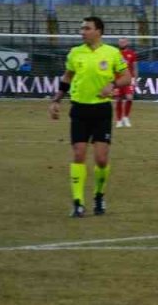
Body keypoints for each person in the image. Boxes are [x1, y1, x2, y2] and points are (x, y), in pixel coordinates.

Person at [48, 17, 131, 217]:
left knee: (101, 159)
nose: (82, 32)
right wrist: (57, 99)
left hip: (101, 110)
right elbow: (68, 77)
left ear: (98, 31)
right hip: (79, 109)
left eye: (87, 28)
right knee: (79, 154)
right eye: (82, 28)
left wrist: (112, 85)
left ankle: (99, 196)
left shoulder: (111, 53)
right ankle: (78, 202)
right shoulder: (75, 53)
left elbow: (126, 77)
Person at [114, 37, 139, 128]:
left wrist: (135, 80)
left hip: (128, 80)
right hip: (118, 80)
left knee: (129, 98)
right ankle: (119, 120)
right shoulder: (115, 53)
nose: (121, 43)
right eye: (120, 42)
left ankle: (126, 117)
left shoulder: (132, 54)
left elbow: (135, 68)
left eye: (123, 42)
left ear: (127, 42)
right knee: (119, 99)